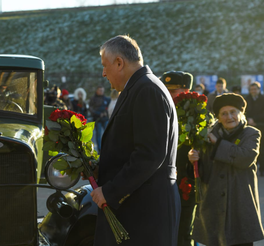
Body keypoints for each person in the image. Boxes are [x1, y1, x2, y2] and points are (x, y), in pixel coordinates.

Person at [90, 35, 180, 246]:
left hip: (145, 212)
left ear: (119, 63)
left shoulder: (147, 89)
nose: (103, 73)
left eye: (105, 65)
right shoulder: (139, 87)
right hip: (139, 208)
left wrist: (110, 192)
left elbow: (149, 154)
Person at [188, 93, 264, 246]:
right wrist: (194, 160)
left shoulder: (251, 133)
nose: (229, 117)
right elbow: (204, 173)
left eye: (233, 112)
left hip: (240, 203)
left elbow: (245, 158)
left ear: (240, 113)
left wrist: (217, 144)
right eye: (224, 113)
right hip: (214, 205)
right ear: (218, 117)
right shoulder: (207, 135)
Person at [160, 71, 197, 246]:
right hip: (162, 181)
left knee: (183, 232)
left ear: (186, 90)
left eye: (173, 91)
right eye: (166, 90)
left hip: (186, 180)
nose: (169, 94)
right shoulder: (162, 110)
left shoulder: (197, 114)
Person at [245, 82, 264, 176]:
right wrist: (249, 120)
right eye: (251, 89)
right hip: (250, 126)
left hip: (261, 126)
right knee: (251, 148)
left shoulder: (262, 98)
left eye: (255, 89)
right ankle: (252, 168)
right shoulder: (246, 99)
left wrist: (255, 119)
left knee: (262, 148)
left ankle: (263, 169)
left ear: (259, 89)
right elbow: (243, 111)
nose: (253, 91)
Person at [89, 86, 110, 151]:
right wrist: (98, 114)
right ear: (97, 91)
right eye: (100, 90)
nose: (101, 92)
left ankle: (108, 148)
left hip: (105, 119)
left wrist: (106, 113)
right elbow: (91, 109)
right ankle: (100, 150)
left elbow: (109, 107)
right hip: (97, 120)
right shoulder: (93, 99)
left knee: (108, 134)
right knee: (98, 135)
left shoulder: (106, 99)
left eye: (102, 90)